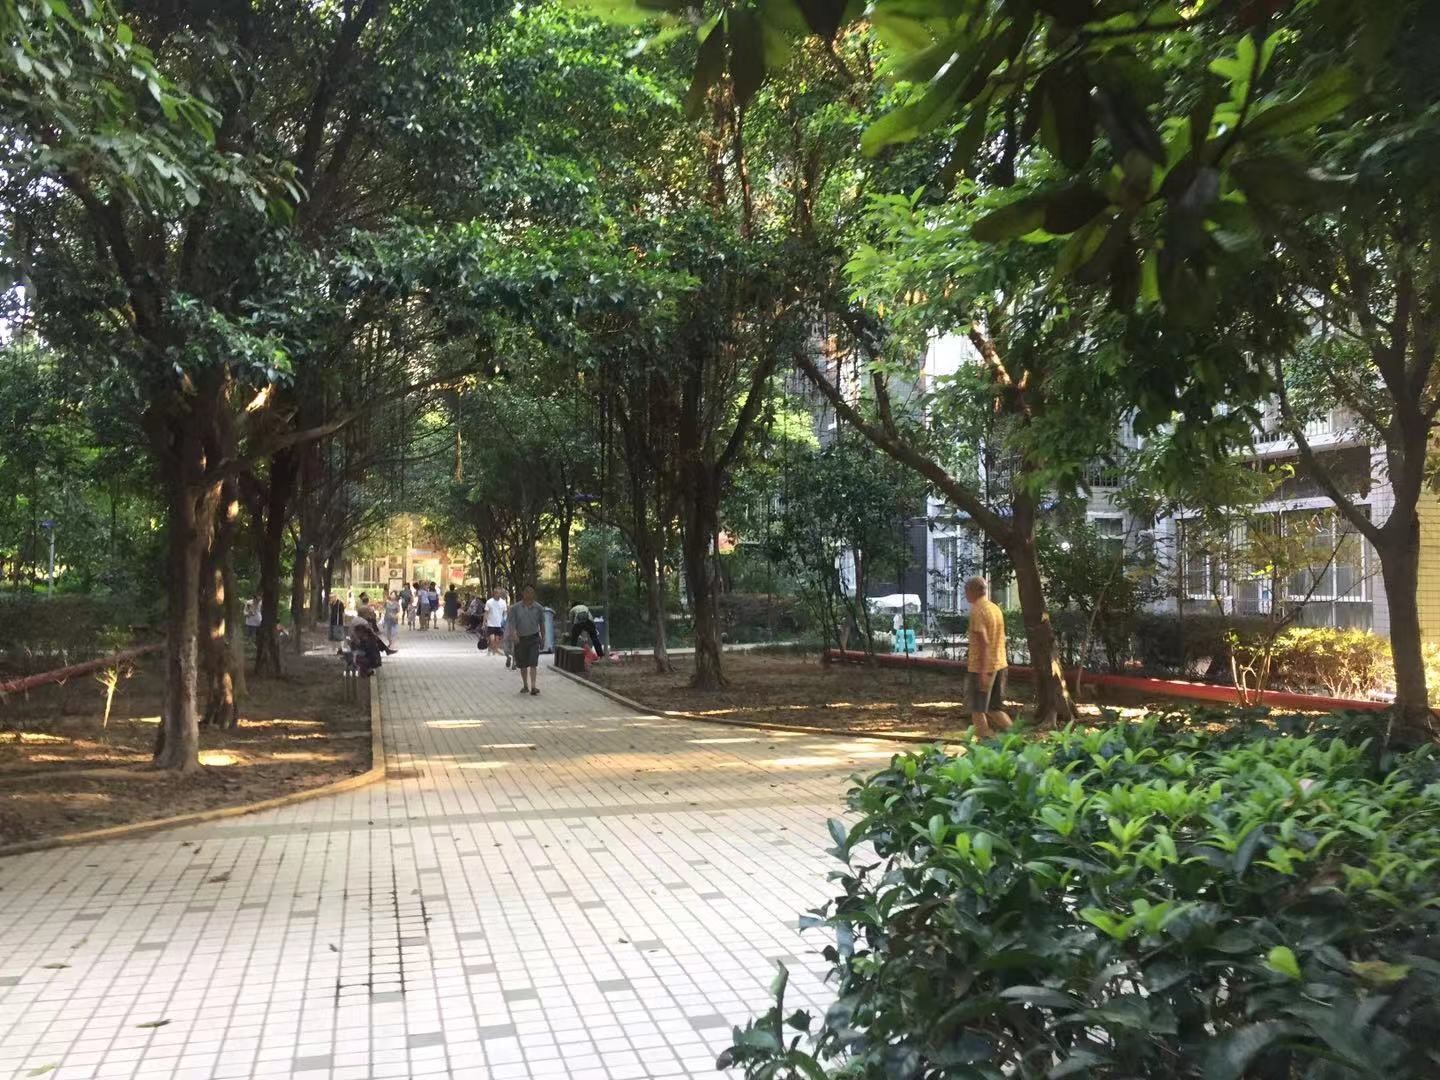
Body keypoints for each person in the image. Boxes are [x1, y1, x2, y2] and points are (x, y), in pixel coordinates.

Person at [964, 575, 1013, 738]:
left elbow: (984, 643)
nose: (965, 594)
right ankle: (1017, 738)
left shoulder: (977, 610)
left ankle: (985, 740)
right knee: (993, 708)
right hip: (1000, 664)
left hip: (982, 667)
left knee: (977, 709)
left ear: (972, 591)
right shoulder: (994, 608)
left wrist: (983, 672)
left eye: (966, 590)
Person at [508, 584, 545, 695]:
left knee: (533, 663)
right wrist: (514, 635)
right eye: (527, 592)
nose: (529, 594)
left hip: (534, 638)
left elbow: (542, 624)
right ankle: (525, 685)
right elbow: (512, 624)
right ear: (523, 593)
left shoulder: (539, 608)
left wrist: (543, 638)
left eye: (531, 592)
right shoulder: (515, 608)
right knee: (523, 664)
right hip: (521, 639)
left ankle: (533, 686)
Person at [483, 587, 507, 656]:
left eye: (499, 593)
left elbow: (505, 612)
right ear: (494, 593)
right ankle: (493, 650)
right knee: (492, 639)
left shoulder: (503, 602)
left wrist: (505, 620)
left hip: (499, 624)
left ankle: (493, 650)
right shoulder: (489, 602)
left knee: (497, 640)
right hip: (491, 623)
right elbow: (486, 612)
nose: (498, 594)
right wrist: (484, 622)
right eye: (497, 593)